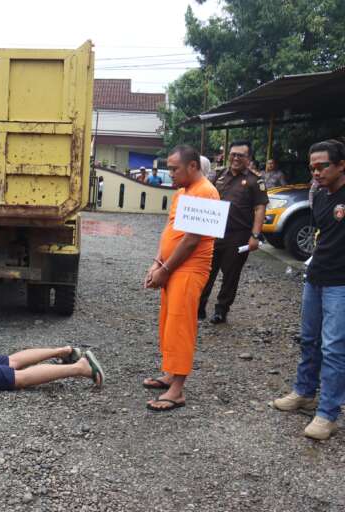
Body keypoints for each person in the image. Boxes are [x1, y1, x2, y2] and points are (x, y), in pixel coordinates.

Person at [271, 139, 345, 440]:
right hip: (316, 277)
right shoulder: (321, 195)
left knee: (334, 349)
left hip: (340, 283)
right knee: (309, 340)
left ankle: (327, 414)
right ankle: (304, 392)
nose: (316, 172)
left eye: (322, 166)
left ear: (341, 165)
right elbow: (322, 235)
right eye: (312, 167)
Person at [143, 145, 219, 412]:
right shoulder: (181, 192)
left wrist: (164, 270)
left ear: (193, 166)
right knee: (169, 322)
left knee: (181, 325)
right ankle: (170, 374)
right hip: (172, 267)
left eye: (175, 169)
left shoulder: (206, 192)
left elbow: (191, 240)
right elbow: (170, 230)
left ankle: (177, 391)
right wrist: (157, 262)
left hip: (190, 269)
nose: (171, 173)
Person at [198, 140, 269, 324]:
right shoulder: (219, 174)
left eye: (241, 155)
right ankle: (199, 306)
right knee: (206, 270)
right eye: (233, 154)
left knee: (231, 274)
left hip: (238, 235)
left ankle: (221, 310)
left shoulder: (255, 180)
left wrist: (255, 235)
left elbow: (260, 209)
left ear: (249, 158)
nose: (236, 158)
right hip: (213, 232)